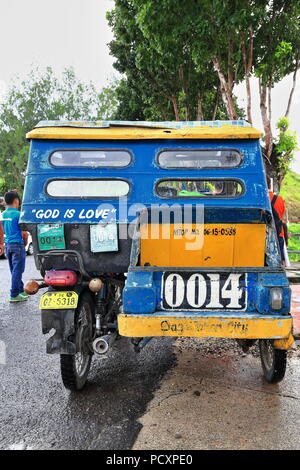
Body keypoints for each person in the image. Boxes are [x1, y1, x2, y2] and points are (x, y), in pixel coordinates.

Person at [2, 191, 29, 303]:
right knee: (18, 270)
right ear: (16, 201)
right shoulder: (18, 214)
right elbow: (24, 233)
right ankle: (14, 295)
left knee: (14, 270)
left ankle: (20, 291)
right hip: (17, 245)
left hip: (7, 245)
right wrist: (25, 242)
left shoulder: (2, 214)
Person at [268, 182, 287, 264]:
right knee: (278, 263)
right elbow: (282, 215)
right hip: (278, 232)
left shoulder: (259, 198)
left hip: (262, 235)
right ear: (270, 185)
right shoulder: (280, 199)